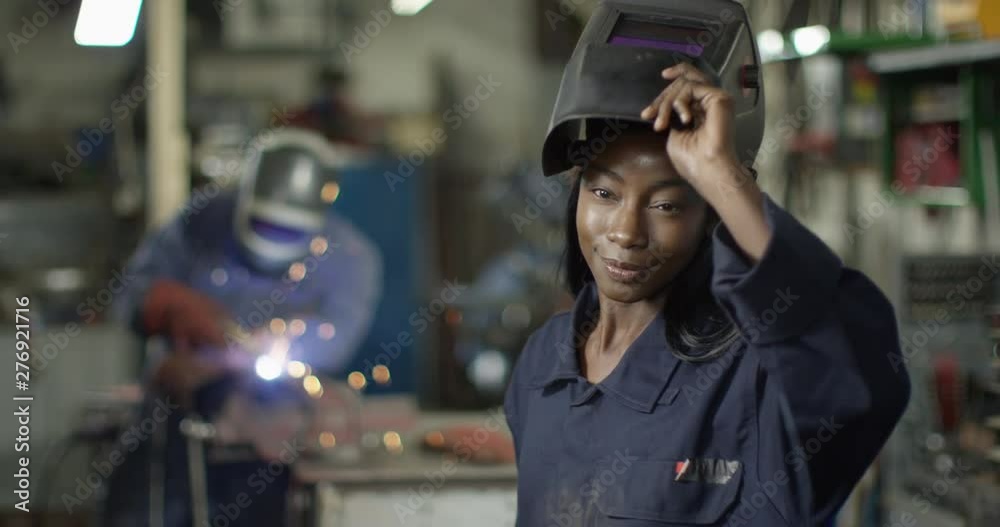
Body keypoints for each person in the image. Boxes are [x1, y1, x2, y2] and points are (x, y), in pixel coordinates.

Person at [503, 56, 911, 527]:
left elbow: (860, 381)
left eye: (667, 205)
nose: (626, 231)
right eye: (604, 193)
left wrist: (721, 174)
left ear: (707, 221)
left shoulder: (752, 376)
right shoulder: (544, 363)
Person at [104, 127, 382, 527]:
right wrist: (170, 308)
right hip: (174, 418)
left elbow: (335, 340)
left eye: (286, 230)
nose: (273, 238)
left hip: (278, 434)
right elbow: (130, 296)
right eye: (264, 224)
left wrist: (232, 355)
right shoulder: (200, 221)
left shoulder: (349, 257)